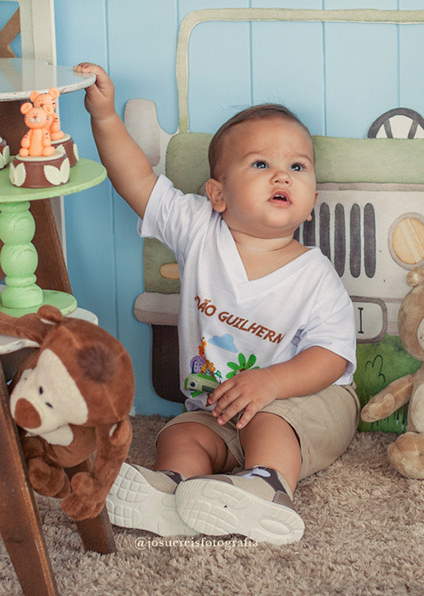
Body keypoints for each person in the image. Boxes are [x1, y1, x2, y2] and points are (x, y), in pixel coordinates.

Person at [75, 63, 359, 545]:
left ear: (310, 202)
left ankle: (266, 488)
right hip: (219, 407)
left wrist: (270, 383)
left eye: (297, 166)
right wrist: (103, 115)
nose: (281, 175)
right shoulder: (200, 230)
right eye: (260, 164)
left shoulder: (314, 275)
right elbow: (138, 183)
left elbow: (332, 358)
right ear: (218, 194)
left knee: (268, 419)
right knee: (181, 434)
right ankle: (172, 493)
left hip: (307, 402)